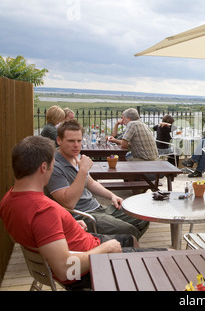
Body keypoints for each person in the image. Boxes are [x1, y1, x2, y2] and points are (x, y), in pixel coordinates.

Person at [0, 136, 166, 290]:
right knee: (168, 259)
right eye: (51, 165)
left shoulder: (8, 200)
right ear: (43, 167)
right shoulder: (43, 211)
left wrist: (63, 230)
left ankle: (130, 275)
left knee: (131, 239)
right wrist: (105, 249)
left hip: (81, 246)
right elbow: (66, 269)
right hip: (86, 271)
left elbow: (25, 235)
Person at [45, 120, 149, 239]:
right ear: (59, 140)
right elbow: (68, 203)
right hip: (82, 215)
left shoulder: (76, 156)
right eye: (71, 141)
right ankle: (123, 247)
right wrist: (83, 170)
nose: (76, 145)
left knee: (142, 217)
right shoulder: (54, 166)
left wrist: (112, 196)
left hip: (98, 207)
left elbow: (90, 183)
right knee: (128, 231)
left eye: (79, 141)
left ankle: (122, 245)